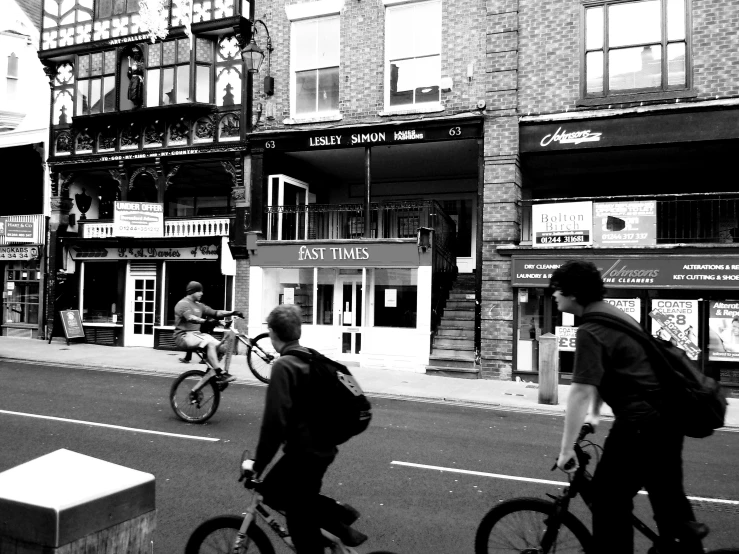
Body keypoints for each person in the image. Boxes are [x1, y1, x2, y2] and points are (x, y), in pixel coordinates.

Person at [550, 260, 703, 554]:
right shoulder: (611, 315)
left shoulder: (590, 329)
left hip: (640, 424)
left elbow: (580, 391)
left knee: (608, 500)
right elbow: (606, 374)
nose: (554, 294)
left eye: (558, 288)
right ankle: (687, 545)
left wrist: (567, 448)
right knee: (668, 501)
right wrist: (595, 415)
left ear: (574, 293)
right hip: (669, 419)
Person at [241, 304, 366, 553]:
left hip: (304, 454)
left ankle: (338, 518)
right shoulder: (310, 356)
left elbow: (274, 424)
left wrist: (257, 465)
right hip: (322, 448)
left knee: (300, 529)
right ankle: (338, 521)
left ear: (272, 334)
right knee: (280, 494)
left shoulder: (284, 365)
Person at [173, 281, 243, 382]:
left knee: (222, 348)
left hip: (196, 335)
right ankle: (219, 373)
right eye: (199, 291)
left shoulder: (199, 305)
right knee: (209, 342)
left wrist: (232, 312)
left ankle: (211, 371)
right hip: (183, 336)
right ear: (193, 292)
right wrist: (206, 321)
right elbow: (190, 318)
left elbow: (216, 313)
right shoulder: (182, 304)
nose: (202, 293)